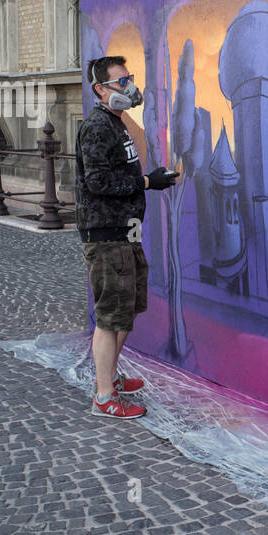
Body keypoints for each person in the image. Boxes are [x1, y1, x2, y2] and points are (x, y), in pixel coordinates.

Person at [76, 55, 179, 418]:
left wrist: (148, 179)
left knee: (125, 312)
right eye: (121, 83)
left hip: (126, 233)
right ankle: (104, 396)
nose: (129, 88)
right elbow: (98, 182)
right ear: (100, 90)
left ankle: (110, 377)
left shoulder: (116, 124)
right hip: (108, 236)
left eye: (129, 79)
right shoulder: (97, 127)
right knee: (110, 317)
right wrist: (148, 182)